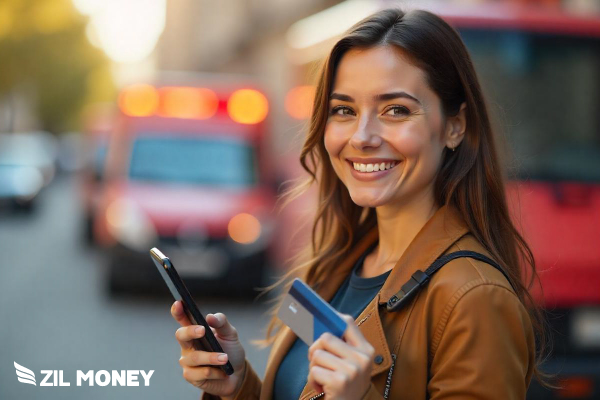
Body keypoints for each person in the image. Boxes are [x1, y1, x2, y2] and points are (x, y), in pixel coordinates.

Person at [170, 8, 552, 400]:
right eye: (344, 110)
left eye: (396, 110)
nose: (362, 136)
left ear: (455, 126)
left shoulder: (475, 300)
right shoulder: (338, 263)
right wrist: (238, 388)